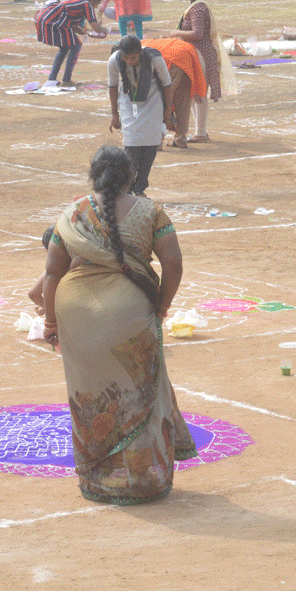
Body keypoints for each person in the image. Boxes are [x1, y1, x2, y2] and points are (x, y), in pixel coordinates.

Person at [40, 145, 194, 504]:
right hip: (129, 314)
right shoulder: (150, 211)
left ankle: (99, 480)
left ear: (93, 176)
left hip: (76, 314)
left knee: (91, 397)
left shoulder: (73, 213)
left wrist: (50, 322)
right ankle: (143, 477)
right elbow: (173, 264)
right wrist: (162, 307)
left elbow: (51, 273)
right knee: (139, 394)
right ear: (131, 176)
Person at [164, 0, 225, 142]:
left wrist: (176, 33)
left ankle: (200, 132)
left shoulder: (197, 8)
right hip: (198, 53)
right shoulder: (197, 6)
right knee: (193, 92)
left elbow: (198, 34)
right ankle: (200, 131)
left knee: (198, 92)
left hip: (200, 54)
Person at [108, 36, 172, 196]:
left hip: (153, 100)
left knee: (151, 146)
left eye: (134, 57)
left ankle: (140, 187)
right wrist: (114, 114)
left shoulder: (154, 58)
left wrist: (167, 111)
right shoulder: (114, 60)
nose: (129, 61)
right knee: (131, 145)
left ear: (140, 53)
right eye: (126, 58)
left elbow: (166, 83)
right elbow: (113, 85)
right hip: (128, 101)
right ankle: (127, 188)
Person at [142, 37, 204, 149]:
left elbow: (162, 93)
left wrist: (168, 115)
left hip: (173, 57)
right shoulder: (146, 44)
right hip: (188, 55)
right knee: (183, 100)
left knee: (158, 100)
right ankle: (181, 139)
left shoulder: (140, 52)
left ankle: (157, 141)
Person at [35, 0, 106, 87]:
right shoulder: (86, 4)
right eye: (96, 3)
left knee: (64, 48)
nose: (96, 7)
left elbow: (72, 24)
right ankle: (66, 80)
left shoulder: (78, 1)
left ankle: (52, 79)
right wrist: (104, 30)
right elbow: (96, 27)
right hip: (53, 20)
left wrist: (85, 33)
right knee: (76, 46)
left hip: (45, 17)